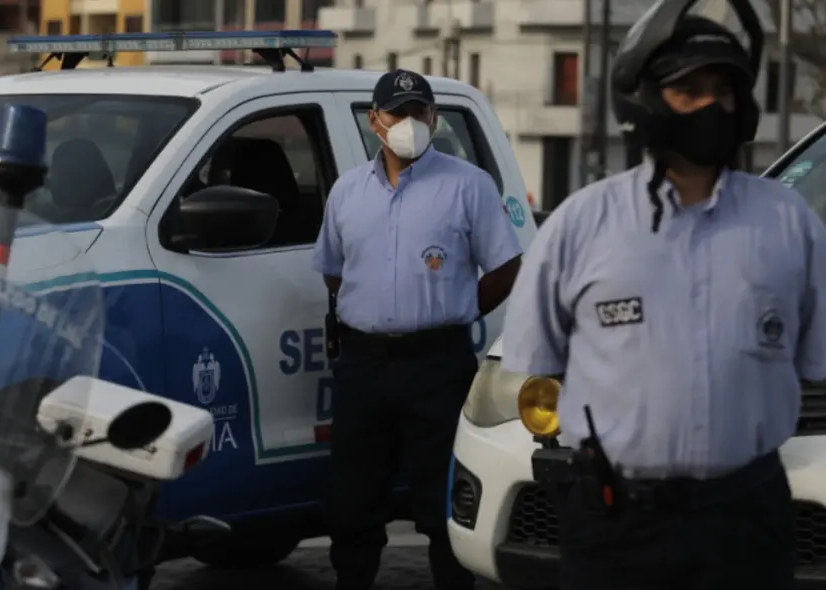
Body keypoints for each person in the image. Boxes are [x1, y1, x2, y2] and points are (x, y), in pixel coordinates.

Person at [501, 12, 826, 590]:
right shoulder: (579, 225)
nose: (709, 107)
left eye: (724, 92)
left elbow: (811, 361)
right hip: (616, 525)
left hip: (746, 519)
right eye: (688, 90)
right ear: (646, 101)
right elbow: (538, 358)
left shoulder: (789, 222)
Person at [312, 68, 523, 590]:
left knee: (440, 502)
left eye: (420, 112)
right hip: (362, 365)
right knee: (353, 500)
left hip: (438, 364)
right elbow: (334, 270)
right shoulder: (347, 192)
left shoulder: (468, 185)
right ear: (375, 121)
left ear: (433, 117)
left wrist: (454, 310)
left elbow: (506, 267)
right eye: (398, 112)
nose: (411, 122)